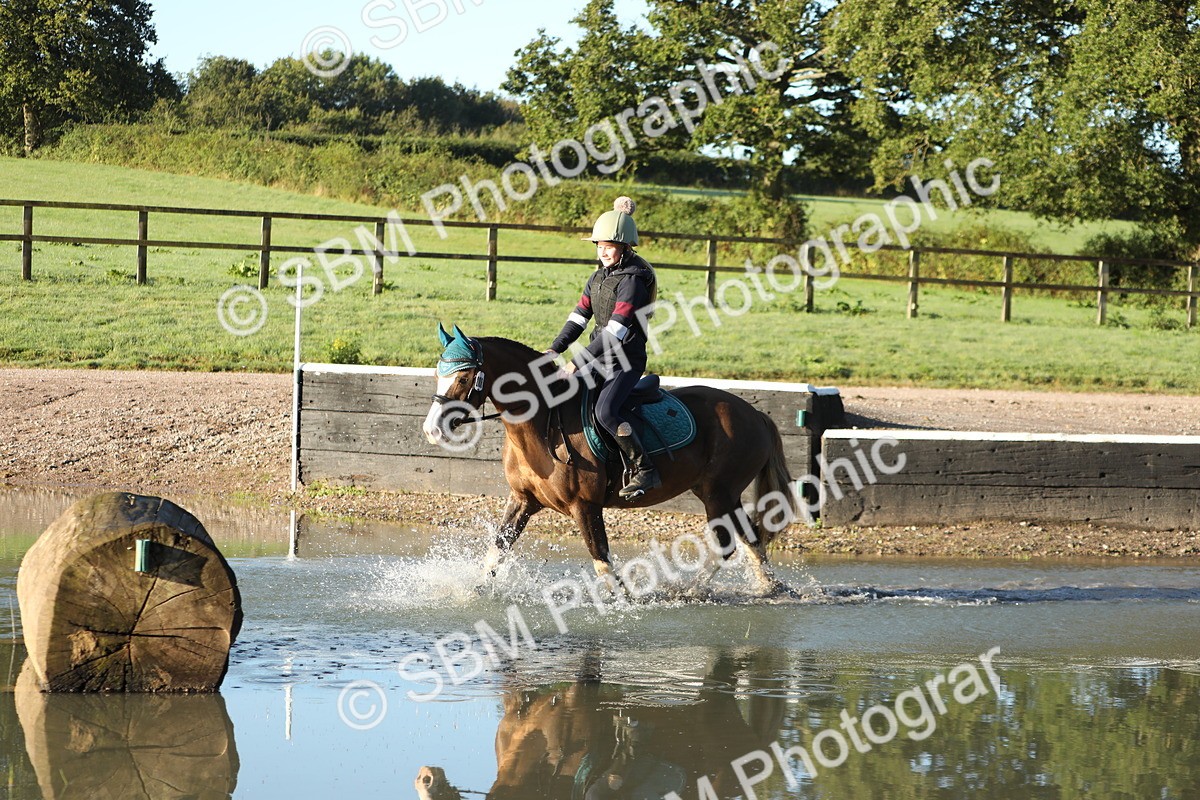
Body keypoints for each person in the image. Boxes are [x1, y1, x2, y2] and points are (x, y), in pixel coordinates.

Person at [547, 196, 661, 500]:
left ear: (625, 247)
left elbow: (616, 331)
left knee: (605, 411)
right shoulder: (598, 277)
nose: (603, 252)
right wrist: (554, 350)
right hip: (598, 357)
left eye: (609, 247)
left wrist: (575, 362)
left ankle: (645, 469)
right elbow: (578, 317)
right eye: (599, 246)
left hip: (625, 360)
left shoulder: (634, 281)